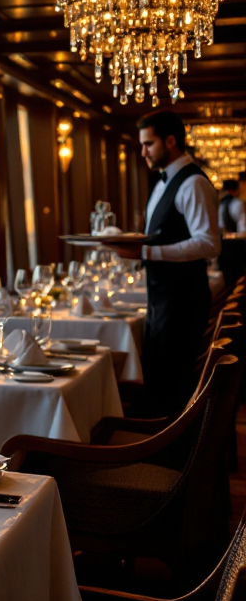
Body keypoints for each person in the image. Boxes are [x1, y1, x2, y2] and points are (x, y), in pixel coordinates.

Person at [108, 110, 220, 414]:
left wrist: (145, 253)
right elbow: (160, 235)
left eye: (149, 144)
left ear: (170, 141)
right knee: (158, 380)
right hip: (160, 298)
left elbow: (209, 243)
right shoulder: (160, 183)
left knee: (173, 387)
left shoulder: (193, 183)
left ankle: (174, 457)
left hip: (184, 301)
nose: (143, 151)